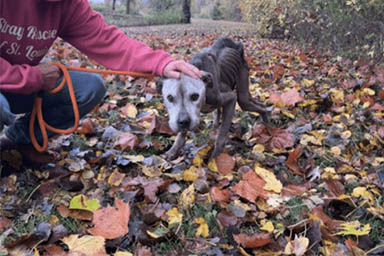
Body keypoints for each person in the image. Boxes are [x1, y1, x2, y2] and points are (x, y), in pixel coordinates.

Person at [0, 0, 201, 163]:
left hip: (22, 85)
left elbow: (106, 39)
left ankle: (19, 139)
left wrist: (161, 63)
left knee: (89, 88)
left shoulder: (67, 5)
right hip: (11, 84)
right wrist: (31, 77)